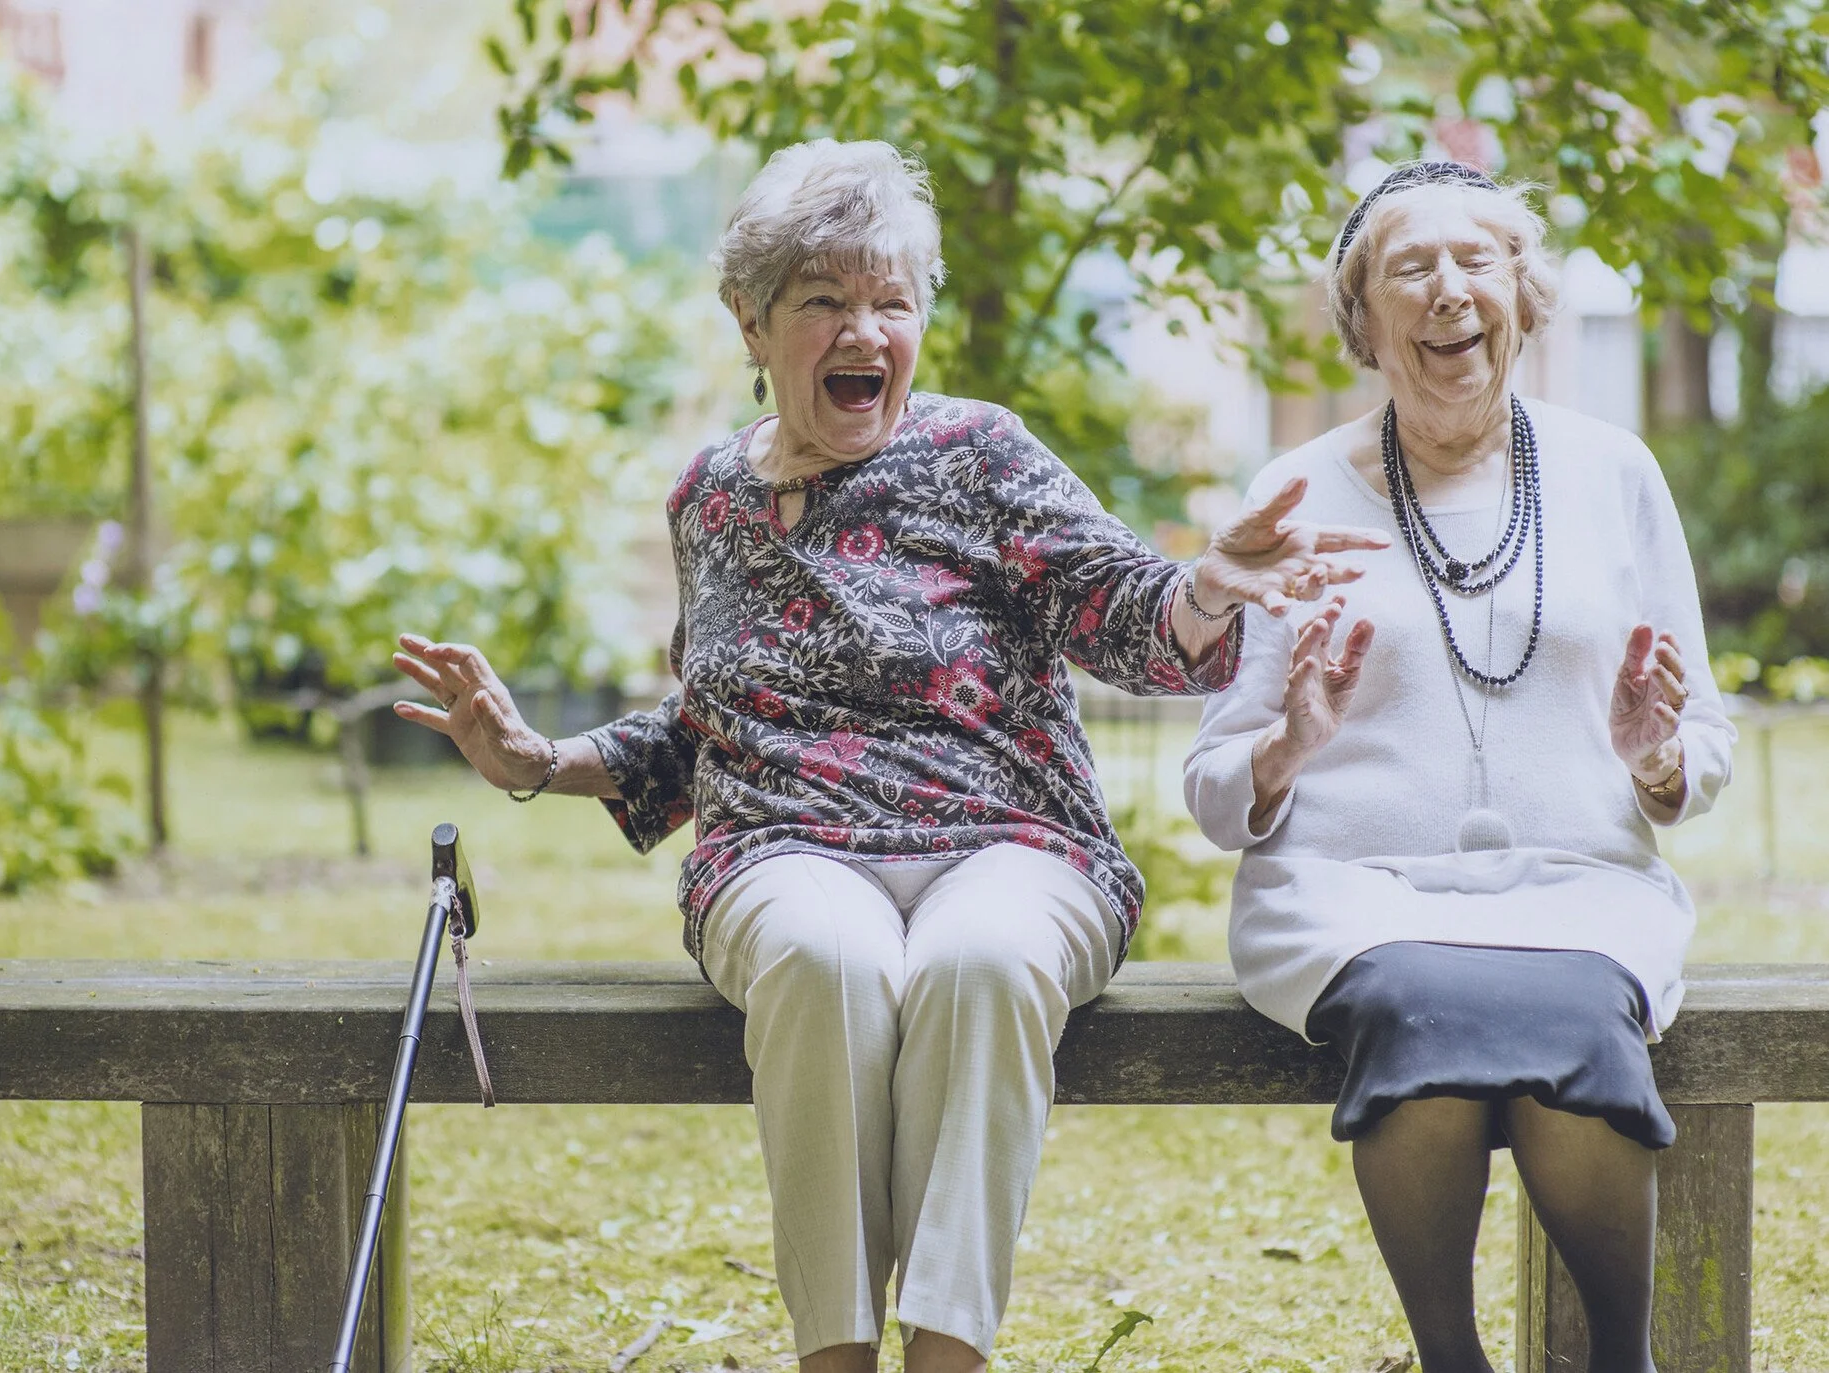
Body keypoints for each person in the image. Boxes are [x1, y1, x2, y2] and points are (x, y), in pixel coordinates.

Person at [392, 139, 1387, 1373]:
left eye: (893, 302)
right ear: (752, 321)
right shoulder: (708, 497)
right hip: (783, 847)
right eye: (824, 300)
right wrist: (537, 758)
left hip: (1014, 839)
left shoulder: (983, 454)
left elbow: (1127, 615)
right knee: (827, 957)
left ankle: (947, 1357)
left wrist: (1206, 585)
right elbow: (709, 725)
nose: (865, 330)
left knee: (981, 959)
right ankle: (837, 1355)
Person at [1183, 161, 1735, 1373]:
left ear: (1523, 299)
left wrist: (1654, 757)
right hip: (1352, 892)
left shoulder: (1614, 472)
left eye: (1476, 261)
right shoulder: (1294, 494)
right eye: (1410, 268)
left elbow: (1704, 744)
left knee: (1571, 1008)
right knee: (1420, 1004)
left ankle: (1623, 1357)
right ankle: (1453, 1361)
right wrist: (1287, 745)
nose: (1448, 291)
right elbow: (1216, 786)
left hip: (1580, 887)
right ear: (1364, 321)